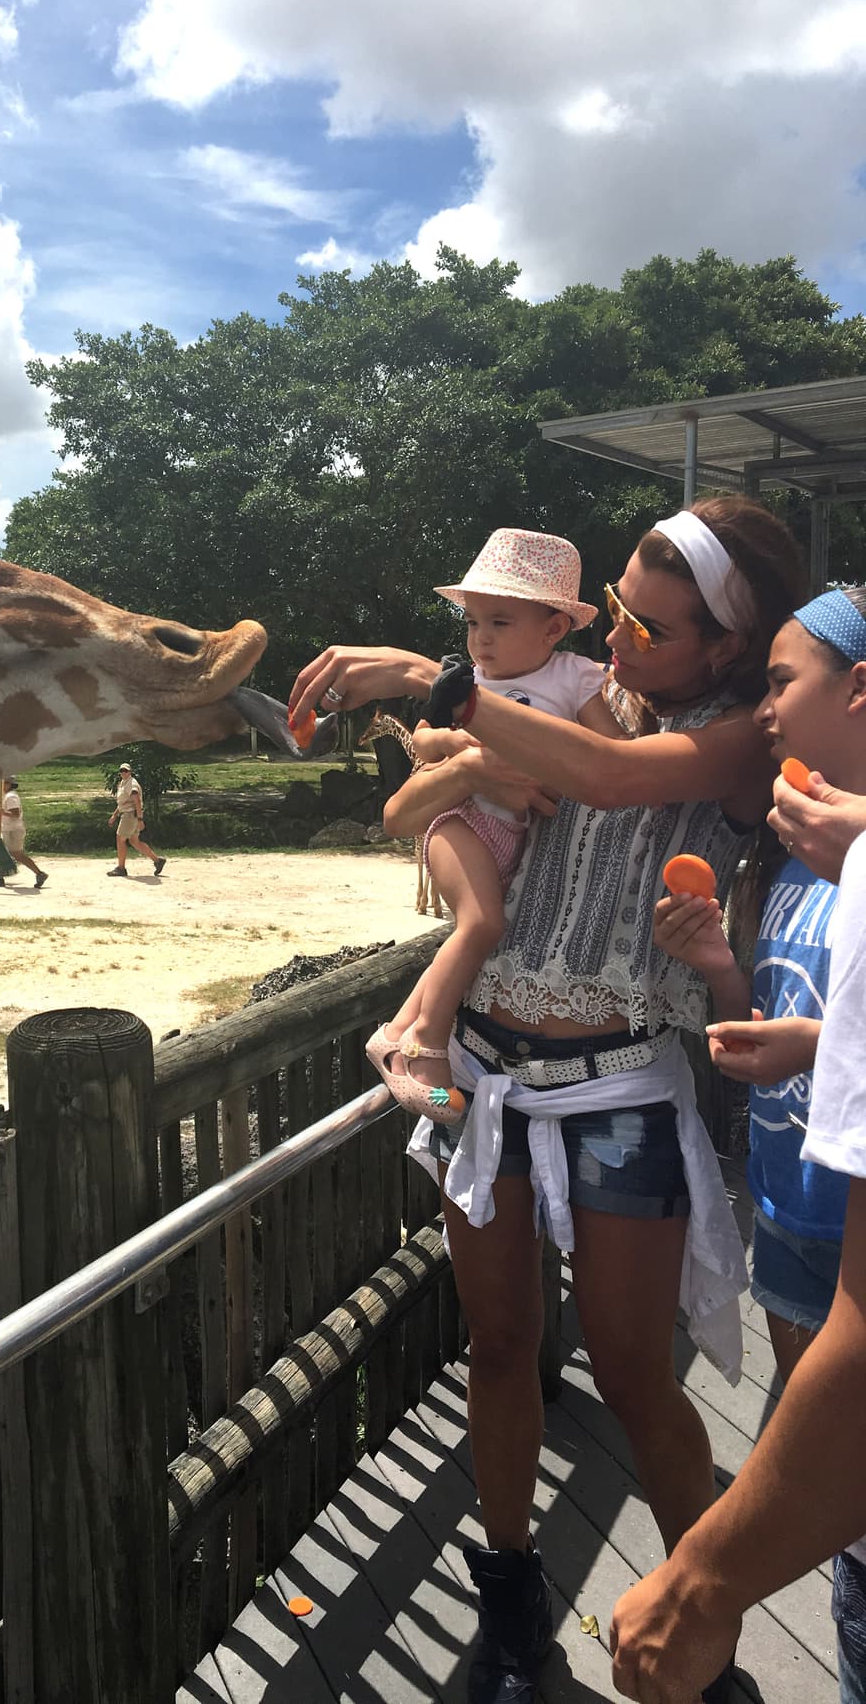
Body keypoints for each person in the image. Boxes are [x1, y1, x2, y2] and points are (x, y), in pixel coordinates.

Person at [290, 496, 804, 1704]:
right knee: (501, 1344)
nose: (620, 640)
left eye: (648, 625)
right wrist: (442, 756)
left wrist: (430, 682)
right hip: (488, 1076)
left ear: (724, 650)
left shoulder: (737, 735)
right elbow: (423, 807)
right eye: (613, 611)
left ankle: (701, 1615)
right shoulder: (572, 688)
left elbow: (615, 782)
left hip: (618, 1079)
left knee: (633, 1371)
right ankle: (511, 1597)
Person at [610, 590, 866, 1704]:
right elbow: (786, 1005)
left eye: (778, 681)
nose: (759, 709)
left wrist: (700, 1583)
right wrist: (719, 966)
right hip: (793, 1213)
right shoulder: (799, 853)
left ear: (857, 689)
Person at [367, 529, 624, 1121]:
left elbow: (611, 752)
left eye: (499, 622)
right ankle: (428, 1043)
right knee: (482, 922)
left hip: (516, 836)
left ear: (554, 628)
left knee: (479, 935)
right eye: (473, 622)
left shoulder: (574, 678)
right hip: (463, 820)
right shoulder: (466, 682)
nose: (480, 637)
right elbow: (427, 738)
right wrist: (461, 738)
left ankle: (396, 1033)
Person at [0, 777, 48, 890]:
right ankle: (39, 874)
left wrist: (2, 812)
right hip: (14, 829)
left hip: (11, 830)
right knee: (17, 855)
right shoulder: (9, 796)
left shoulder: (11, 797)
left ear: (9, 784)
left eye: (4, 783)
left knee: (2, 852)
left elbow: (16, 814)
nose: (1, 786)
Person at [107, 761, 167, 878]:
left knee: (120, 839)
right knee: (134, 841)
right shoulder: (123, 783)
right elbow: (123, 802)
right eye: (121, 771)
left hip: (130, 815)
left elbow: (137, 801)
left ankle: (121, 868)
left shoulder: (132, 784)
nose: (123, 772)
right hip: (128, 813)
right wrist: (114, 815)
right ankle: (157, 861)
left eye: (126, 770)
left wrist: (140, 819)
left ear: (130, 772)